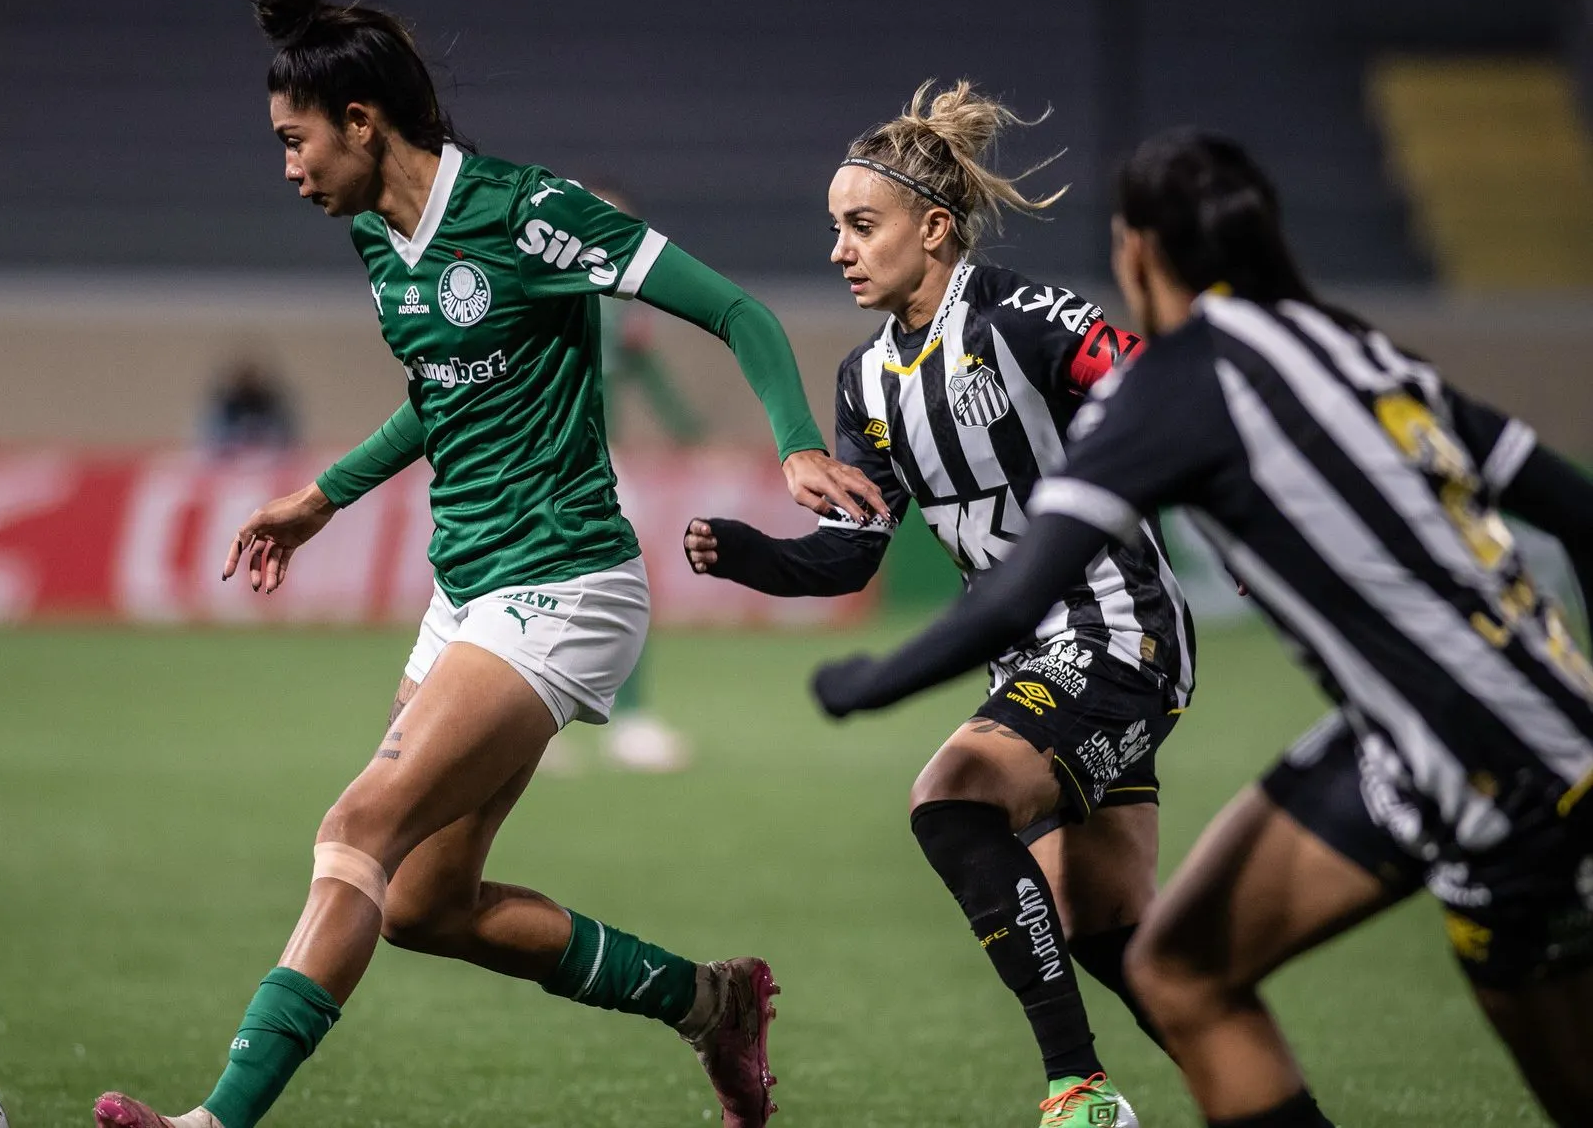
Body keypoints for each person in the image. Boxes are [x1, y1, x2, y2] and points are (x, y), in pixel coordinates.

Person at [91, 0, 889, 1128]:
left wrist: (797, 445)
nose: (287, 168)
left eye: (293, 140)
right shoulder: (376, 234)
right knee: (421, 900)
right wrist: (320, 497)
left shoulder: (528, 213)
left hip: (562, 581)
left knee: (354, 828)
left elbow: (740, 312)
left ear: (360, 120)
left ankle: (212, 1121)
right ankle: (714, 1001)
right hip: (466, 588)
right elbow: (443, 392)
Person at [808, 129, 1593, 1127]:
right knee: (1174, 966)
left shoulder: (1179, 388)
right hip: (1456, 729)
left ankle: (1080, 1087)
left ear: (1138, 253)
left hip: (1479, 764)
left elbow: (1016, 595)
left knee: (1193, 970)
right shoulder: (1347, 341)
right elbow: (1573, 508)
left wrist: (870, 683)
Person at [684, 81, 1193, 1128]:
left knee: (952, 796)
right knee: (1102, 927)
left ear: (934, 228)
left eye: (861, 225)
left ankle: (1078, 1094)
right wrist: (749, 556)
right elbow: (848, 557)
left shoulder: (1025, 316)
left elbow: (1160, 392)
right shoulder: (864, 382)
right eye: (834, 228)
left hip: (1115, 629)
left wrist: (1234, 505)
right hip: (1034, 663)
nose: (840, 249)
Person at [595, 183, 704, 774]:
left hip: (600, 460)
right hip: (541, 459)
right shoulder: (547, 291)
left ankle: (623, 721)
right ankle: (622, 722)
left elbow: (651, 378)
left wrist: (690, 432)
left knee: (618, 579)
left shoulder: (621, 307)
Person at [199, 356, 299, 454]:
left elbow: (284, 435)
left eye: (252, 378)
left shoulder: (269, 403)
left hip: (268, 456)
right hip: (232, 458)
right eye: (245, 378)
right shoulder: (228, 407)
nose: (248, 382)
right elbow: (213, 436)